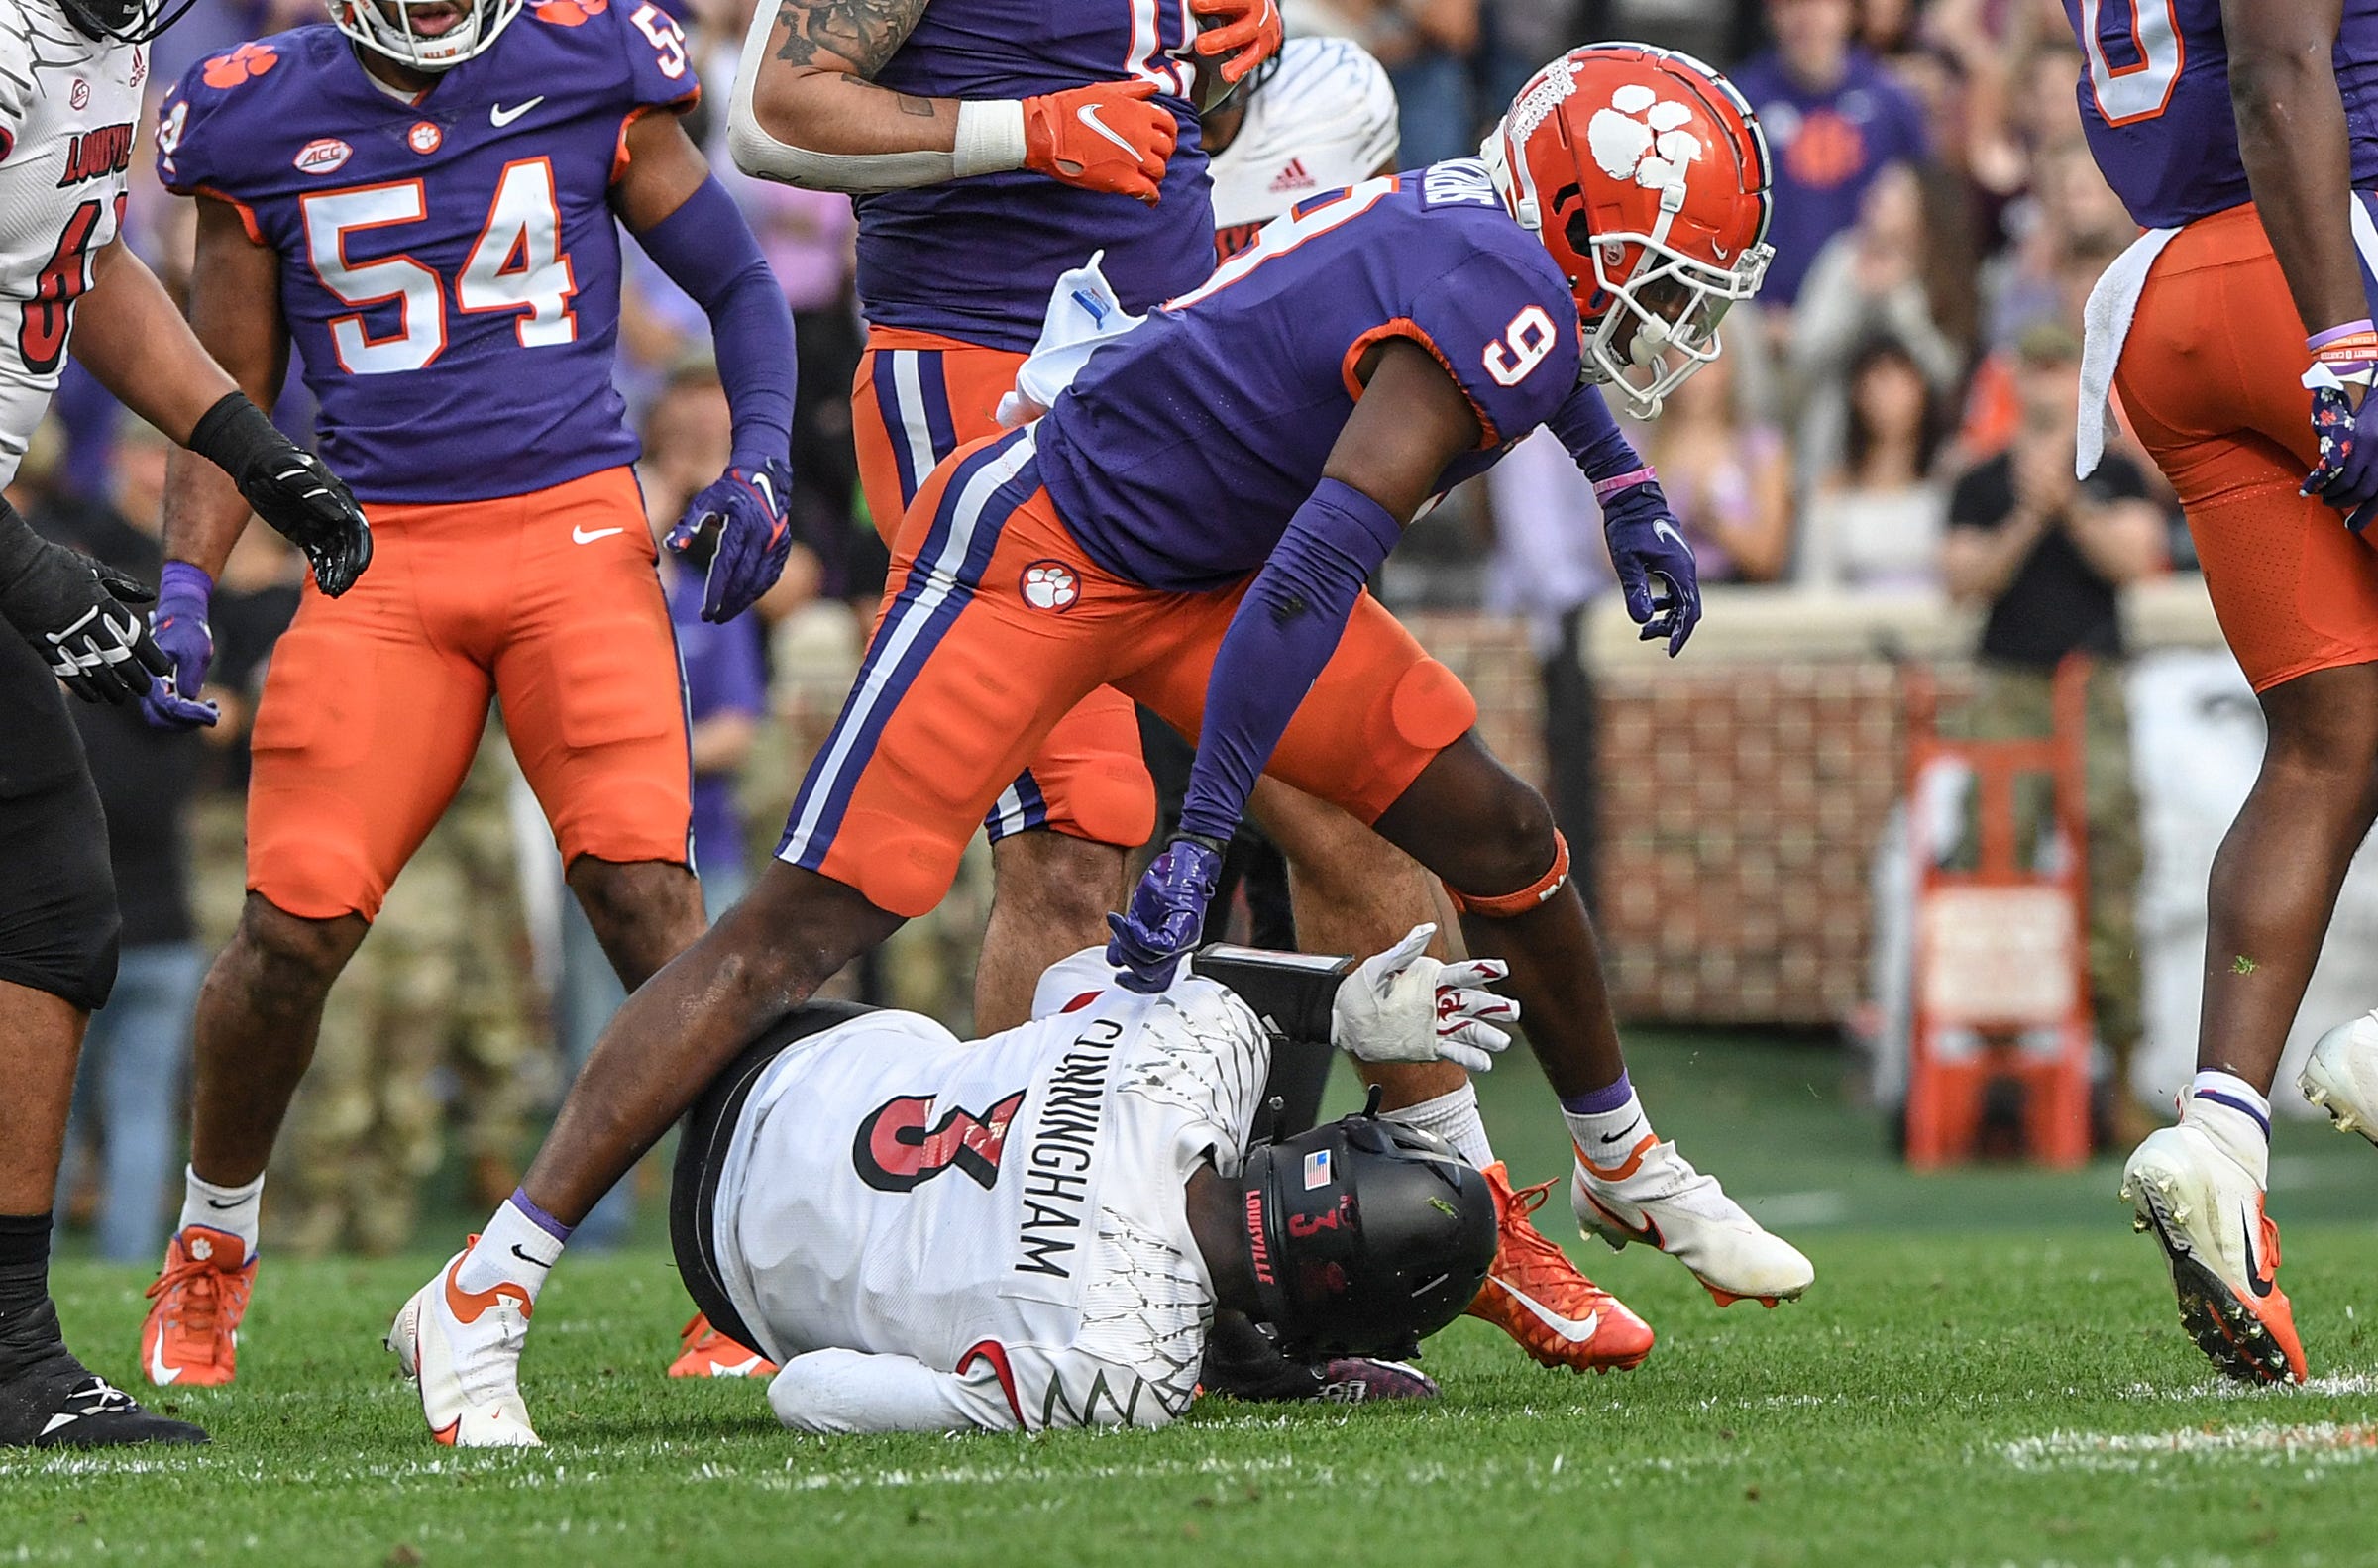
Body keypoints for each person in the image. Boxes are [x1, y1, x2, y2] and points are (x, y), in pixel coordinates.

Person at [394, 44, 1817, 1448]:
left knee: (1499, 832)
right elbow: (1310, 583)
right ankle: (489, 1281)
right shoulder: (1487, 277)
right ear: (1575, 216)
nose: (1677, 320)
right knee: (804, 921)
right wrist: (1200, 836)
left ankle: (1623, 1157)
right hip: (1050, 546)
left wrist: (1624, 481)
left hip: (1205, 562)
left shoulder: (1488, 238)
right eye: (1672, 278)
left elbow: (1526, 358)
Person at [136, 0, 799, 1388]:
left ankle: (746, 1263)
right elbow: (224, 389)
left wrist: (764, 456)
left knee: (644, 891)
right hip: (373, 552)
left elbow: (741, 281)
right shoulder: (252, 108)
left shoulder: (593, 53)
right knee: (289, 925)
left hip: (571, 531)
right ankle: (212, 1241)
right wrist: (188, 581)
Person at [1157, 31, 1663, 1379]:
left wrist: (1620, 478)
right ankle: (1003, 1239)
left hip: (1257, 558)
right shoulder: (1089, 119)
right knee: (1063, 862)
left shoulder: (1347, 124)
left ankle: (1432, 1218)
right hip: (1112, 516)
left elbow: (1472, 315)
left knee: (1360, 838)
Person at [722, 0, 1282, 1038]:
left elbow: (1151, 113)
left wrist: (1223, 58)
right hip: (987, 367)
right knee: (1076, 838)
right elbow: (774, 118)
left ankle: (1456, 1164)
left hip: (1170, 369)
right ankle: (1025, 1192)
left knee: (1370, 785)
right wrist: (1026, 130)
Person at [401, 929, 1509, 1439]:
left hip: (814, 1053)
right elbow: (804, 1391)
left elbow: (1089, 977)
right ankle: (1250, 1359)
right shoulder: (1131, 1374)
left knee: (1071, 1005)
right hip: (739, 1260)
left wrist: (1343, 1003)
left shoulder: (1200, 1049)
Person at [0, 0, 372, 1449]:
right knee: (45, 894)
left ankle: (15, 1353)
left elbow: (74, 262)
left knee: (49, 903)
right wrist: (38, 579)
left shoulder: (106, 35)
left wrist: (252, 449)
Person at [2061, 0, 2378, 1385]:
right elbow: (2277, 59)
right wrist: (2345, 336)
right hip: (2319, 251)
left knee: (2327, 740)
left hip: (2173, 297)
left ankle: (2218, 1139)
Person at [1941, 322, 2162, 1144]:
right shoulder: (1983, 480)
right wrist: (2029, 519)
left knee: (2112, 869)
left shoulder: (2117, 470)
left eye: (2058, 366)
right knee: (1990, 862)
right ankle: (1999, 1074)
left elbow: (2139, 558)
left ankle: (2123, 1071)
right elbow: (1961, 581)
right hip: (2007, 685)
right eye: (2032, 367)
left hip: (2092, 685)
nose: (2044, 383)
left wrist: (2066, 506)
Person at [39, 421, 207, 1267]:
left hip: (82, 903)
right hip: (137, 898)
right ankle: (126, 1260)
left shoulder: (73, 574)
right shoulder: (168, 594)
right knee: (128, 1107)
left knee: (54, 1104)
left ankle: (42, 1267)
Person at [1727, 0, 1929, 308]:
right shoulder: (1739, 102)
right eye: (1791, 5)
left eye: (1823, 3)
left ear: (1850, 11)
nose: (1808, 18)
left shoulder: (1891, 102)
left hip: (1868, 304)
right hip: (1759, 311)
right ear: (1771, 13)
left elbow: (1930, 208)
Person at [1797, 336, 1950, 591]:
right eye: (1876, 380)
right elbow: (1816, 585)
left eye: (1900, 378)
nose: (1887, 394)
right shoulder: (1831, 492)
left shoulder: (1950, 484)